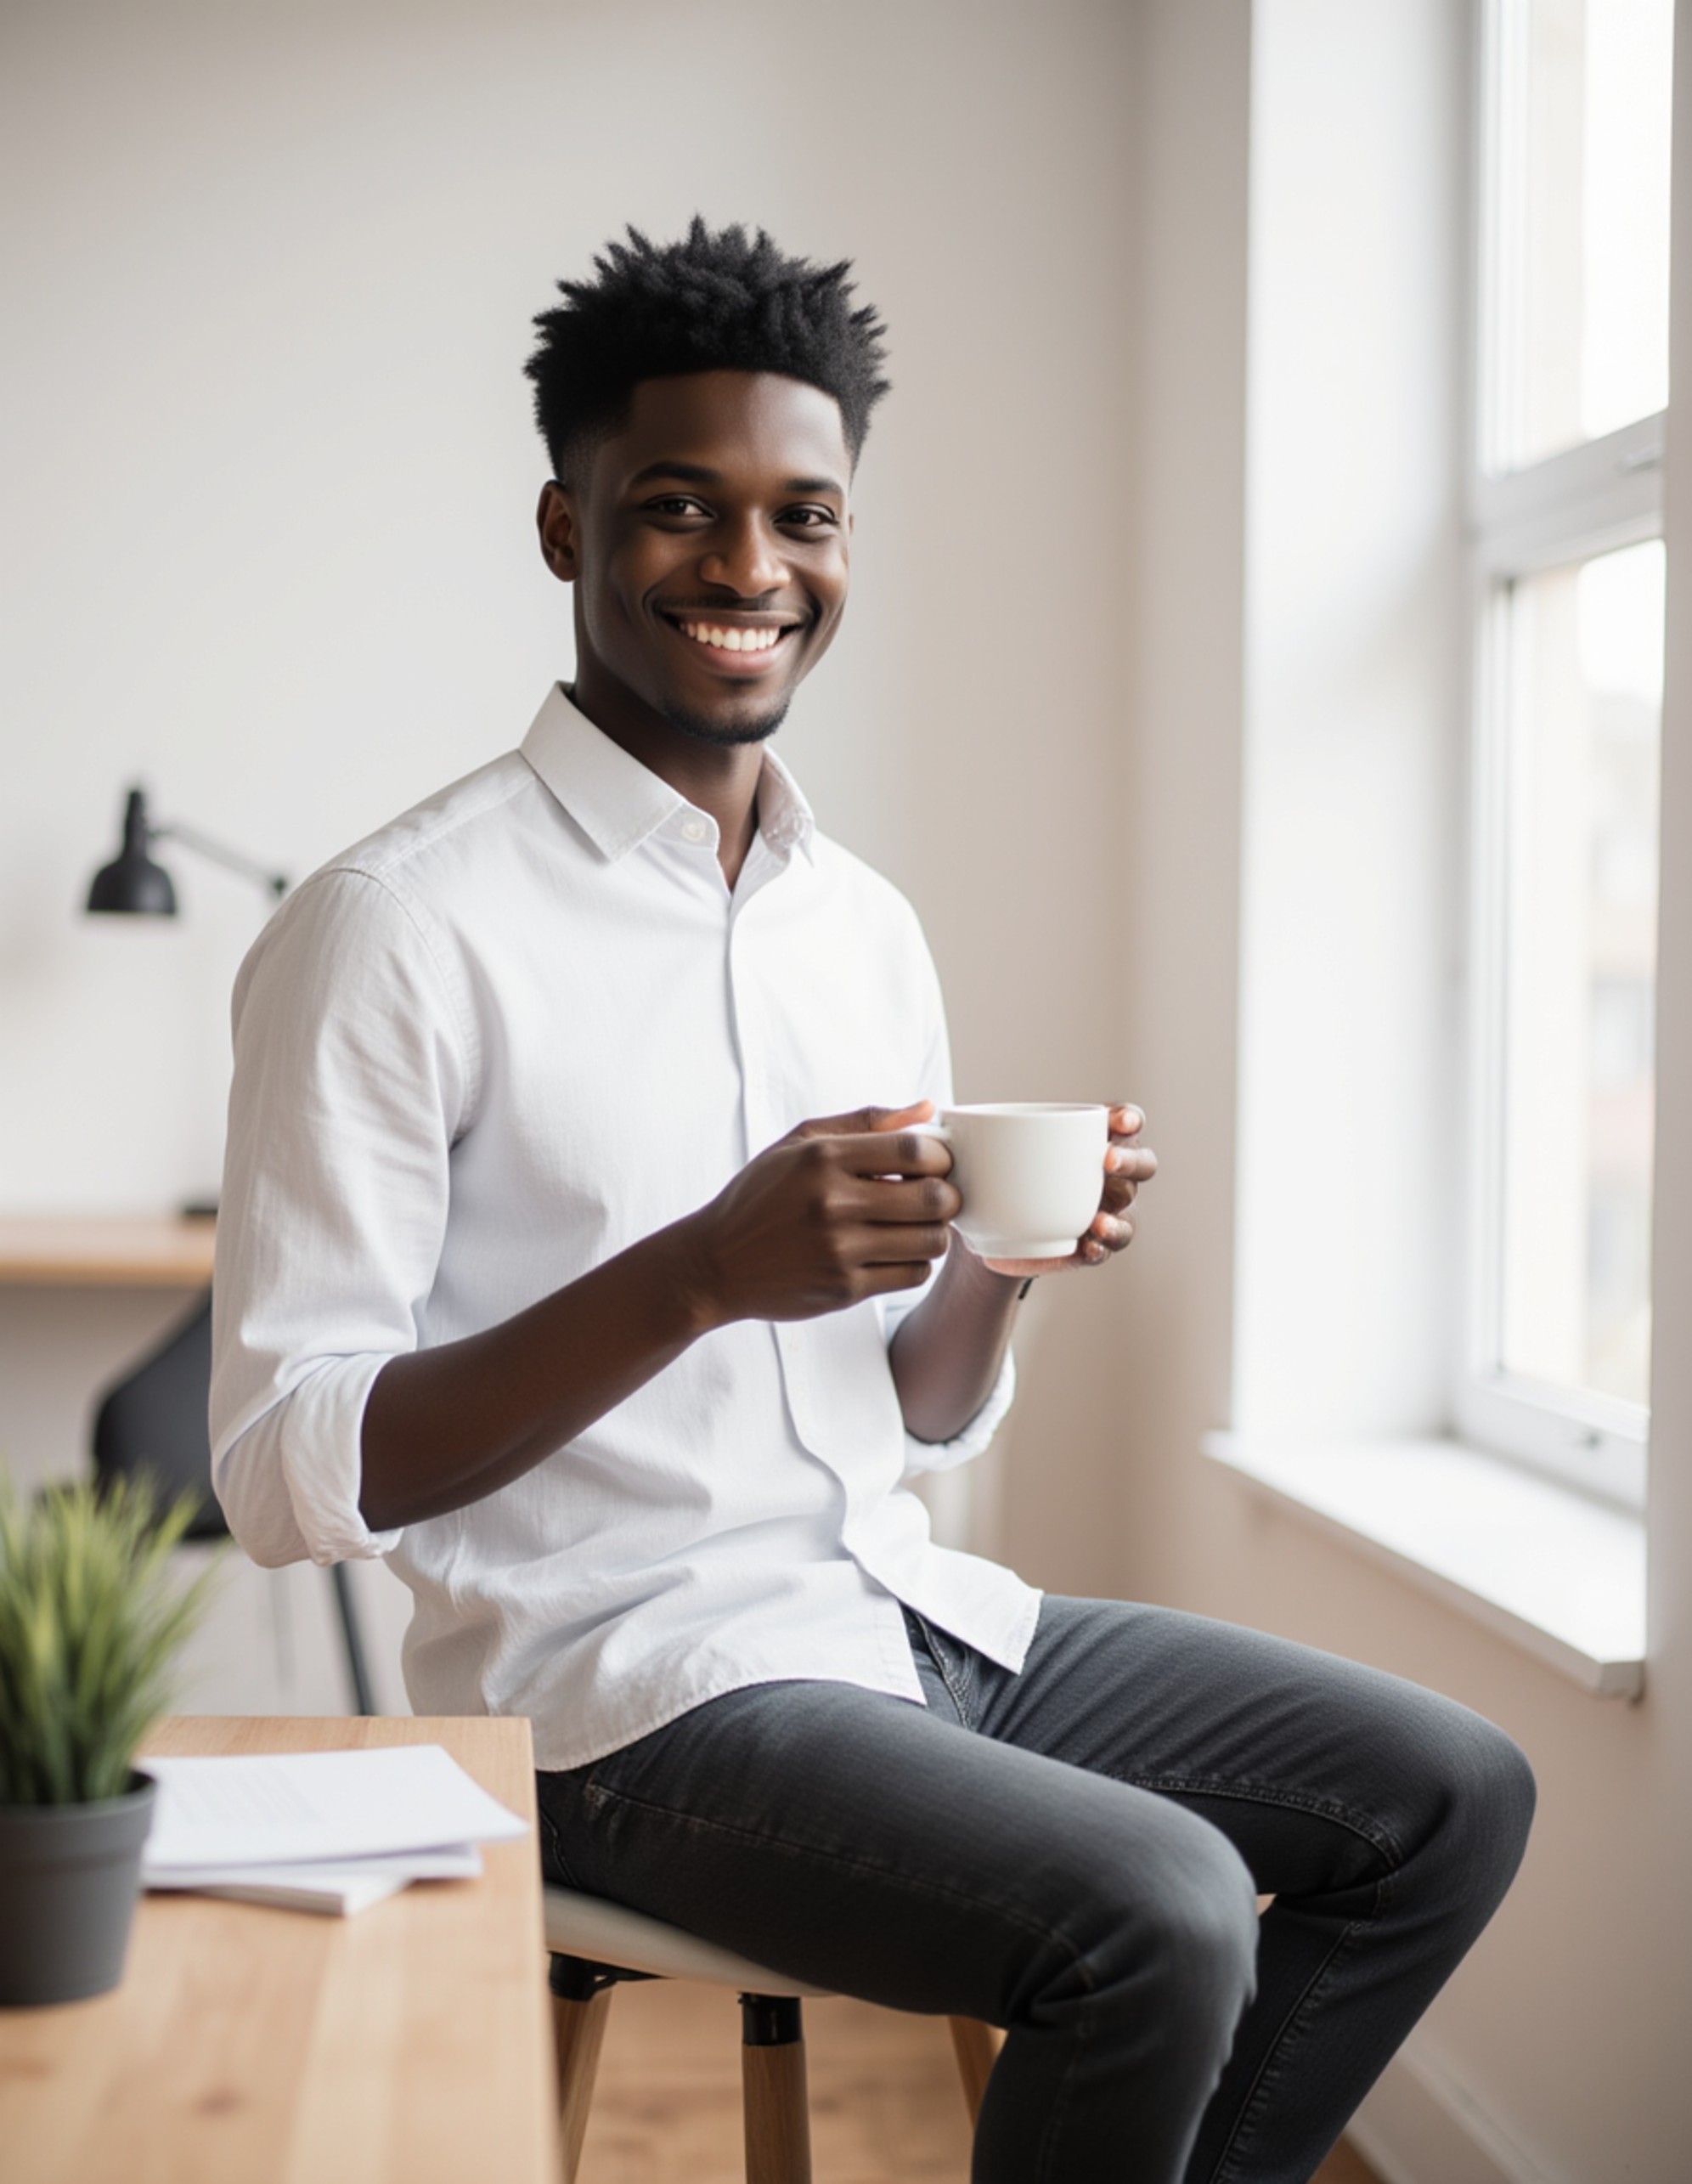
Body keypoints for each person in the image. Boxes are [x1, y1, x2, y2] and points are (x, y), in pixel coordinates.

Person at [211, 219, 1534, 2184]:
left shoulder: (861, 923)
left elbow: (907, 1406)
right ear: (565, 527)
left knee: (1450, 1792)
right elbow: (281, 1469)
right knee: (1157, 1909)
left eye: (804, 515)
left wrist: (1004, 1263)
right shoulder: (393, 925)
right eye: (681, 507)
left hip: (896, 1614)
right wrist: (692, 1274)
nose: (752, 570)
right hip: (616, 1699)